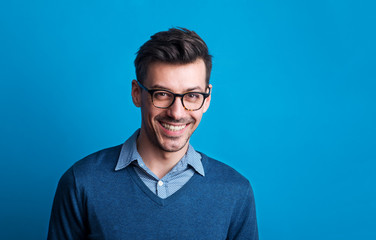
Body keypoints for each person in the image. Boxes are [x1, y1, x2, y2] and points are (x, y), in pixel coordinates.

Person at [48, 27, 258, 240]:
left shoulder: (236, 192)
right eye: (162, 94)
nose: (176, 113)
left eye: (192, 95)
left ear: (207, 99)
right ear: (137, 93)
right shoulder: (81, 183)